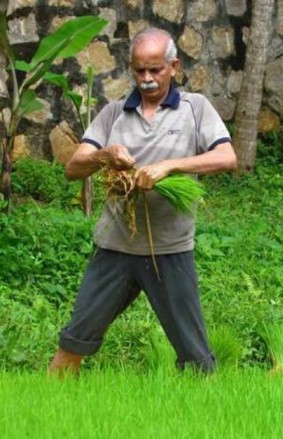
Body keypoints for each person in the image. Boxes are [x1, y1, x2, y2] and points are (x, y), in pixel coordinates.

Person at [48, 28, 237, 376]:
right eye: (139, 71)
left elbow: (227, 157)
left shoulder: (196, 109)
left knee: (196, 359)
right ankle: (46, 409)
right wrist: (105, 154)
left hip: (170, 250)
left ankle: (208, 421)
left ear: (174, 66)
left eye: (156, 70)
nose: (147, 79)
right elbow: (73, 168)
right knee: (74, 341)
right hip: (115, 248)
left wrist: (170, 166)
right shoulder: (113, 113)